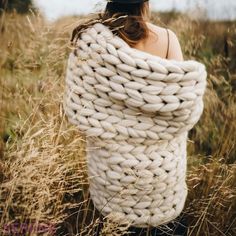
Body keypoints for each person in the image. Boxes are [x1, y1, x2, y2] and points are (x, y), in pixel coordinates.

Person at [71, 0, 187, 235]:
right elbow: (182, 108)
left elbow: (79, 110)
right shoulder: (167, 39)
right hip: (161, 182)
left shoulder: (90, 42)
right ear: (145, 2)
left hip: (112, 181)